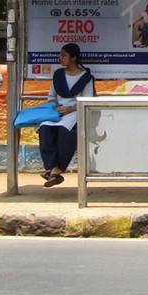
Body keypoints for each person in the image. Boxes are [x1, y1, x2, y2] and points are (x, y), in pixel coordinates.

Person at [37, 43, 95, 187]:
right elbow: (51, 97)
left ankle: (57, 170)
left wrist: (70, 109)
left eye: (64, 55)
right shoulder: (58, 75)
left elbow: (87, 100)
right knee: (44, 128)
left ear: (73, 57)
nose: (60, 58)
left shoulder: (86, 77)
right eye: (60, 55)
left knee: (65, 131)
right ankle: (51, 168)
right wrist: (55, 107)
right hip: (57, 112)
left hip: (75, 111)